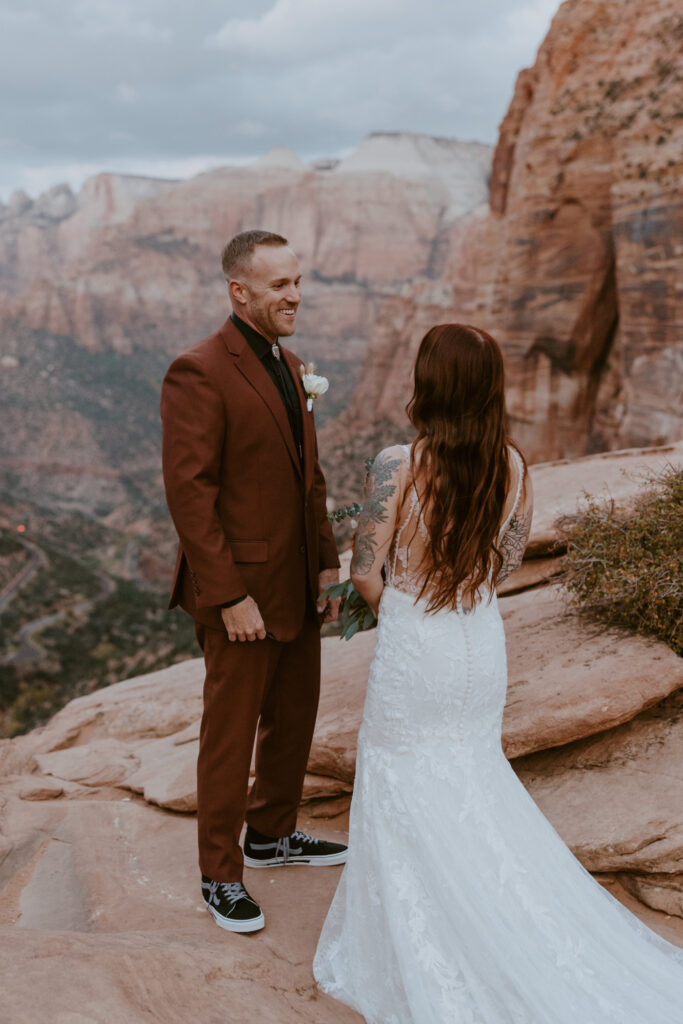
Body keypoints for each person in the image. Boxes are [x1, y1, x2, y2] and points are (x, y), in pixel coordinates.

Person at [314, 323, 683, 1021]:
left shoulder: (399, 461)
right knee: (470, 775)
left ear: (427, 384)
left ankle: (429, 933)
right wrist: (460, 594)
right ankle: (504, 912)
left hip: (416, 642)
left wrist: (406, 600)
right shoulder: (513, 465)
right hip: (477, 639)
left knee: (403, 778)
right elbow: (506, 562)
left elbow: (362, 569)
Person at [161, 230, 347, 935]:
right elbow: (190, 494)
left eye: (298, 281)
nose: (295, 295)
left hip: (298, 583)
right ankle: (219, 875)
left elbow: (311, 480)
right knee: (230, 735)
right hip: (240, 592)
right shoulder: (198, 370)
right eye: (279, 286)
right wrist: (229, 596)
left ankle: (271, 835)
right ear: (239, 291)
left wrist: (325, 566)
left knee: (294, 718)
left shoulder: (292, 364)